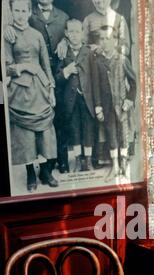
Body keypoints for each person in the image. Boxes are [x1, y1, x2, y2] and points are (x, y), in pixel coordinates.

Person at [5, 0, 58, 192]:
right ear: (11, 12)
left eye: (23, 10)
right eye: (16, 10)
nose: (20, 14)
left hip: (41, 88)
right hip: (20, 92)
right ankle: (30, 173)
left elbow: (45, 65)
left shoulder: (37, 35)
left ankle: (45, 171)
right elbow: (6, 68)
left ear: (29, 12)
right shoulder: (7, 36)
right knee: (25, 135)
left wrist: (51, 89)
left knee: (45, 131)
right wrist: (25, 66)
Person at [92, 25, 136, 181]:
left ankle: (124, 165)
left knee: (123, 134)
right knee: (111, 135)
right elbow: (96, 86)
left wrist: (129, 100)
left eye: (108, 38)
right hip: (107, 106)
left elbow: (133, 82)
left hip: (122, 104)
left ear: (115, 40)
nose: (105, 42)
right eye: (102, 39)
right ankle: (115, 166)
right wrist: (98, 106)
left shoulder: (122, 59)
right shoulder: (98, 61)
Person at [55, 19, 96, 172]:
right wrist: (67, 71)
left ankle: (89, 161)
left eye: (77, 31)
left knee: (88, 130)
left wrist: (96, 102)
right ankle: (78, 161)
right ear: (66, 33)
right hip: (70, 101)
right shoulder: (63, 54)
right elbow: (57, 78)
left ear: (82, 33)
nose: (74, 35)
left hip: (87, 100)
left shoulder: (89, 52)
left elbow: (95, 79)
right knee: (75, 130)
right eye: (71, 31)